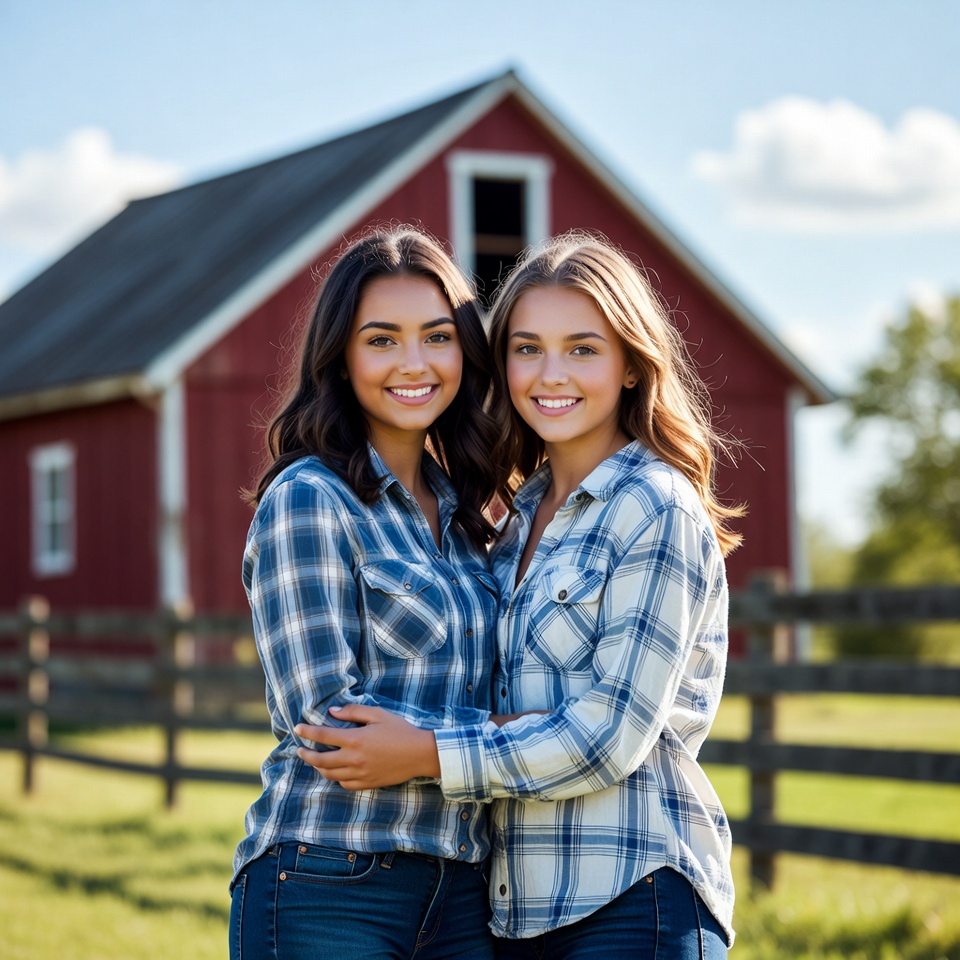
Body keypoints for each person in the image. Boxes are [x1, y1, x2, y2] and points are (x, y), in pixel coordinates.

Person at [297, 232, 743, 958]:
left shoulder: (653, 507)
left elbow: (606, 737)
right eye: (527, 348)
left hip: (633, 896)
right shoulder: (507, 527)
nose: (550, 374)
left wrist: (428, 751)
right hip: (513, 914)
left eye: (583, 349)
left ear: (631, 365)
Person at [230, 225, 509, 960]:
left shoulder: (469, 517)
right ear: (341, 359)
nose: (413, 363)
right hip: (329, 878)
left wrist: (423, 747)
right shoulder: (310, 498)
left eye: (437, 337)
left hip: (465, 895)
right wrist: (504, 738)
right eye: (382, 340)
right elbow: (328, 726)